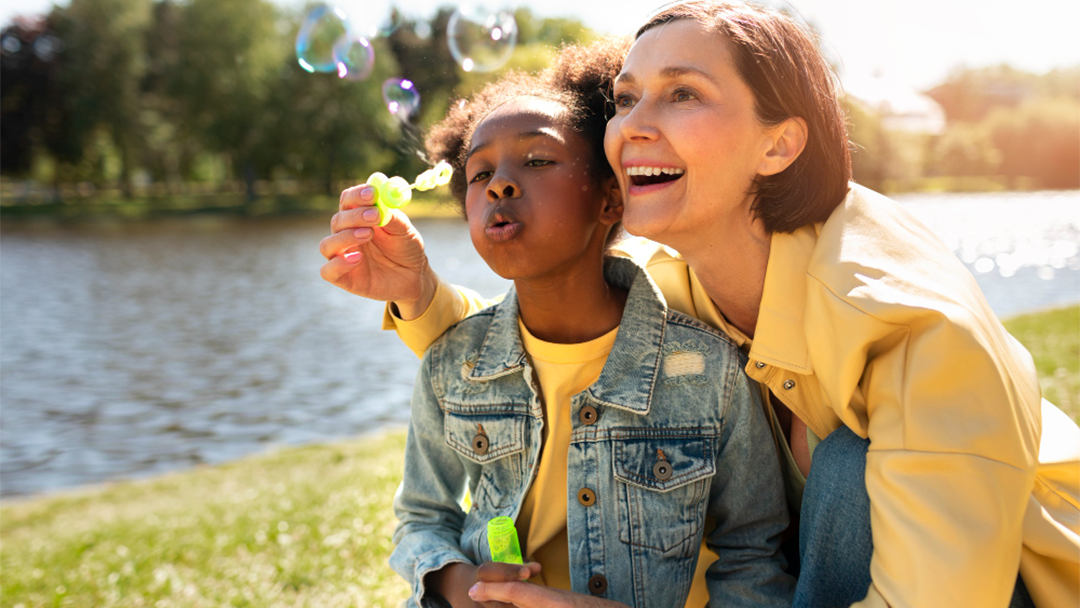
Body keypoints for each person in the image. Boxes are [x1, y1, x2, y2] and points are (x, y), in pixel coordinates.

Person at [320, 3, 1080, 608]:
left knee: (846, 468)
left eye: (684, 93)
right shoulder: (680, 273)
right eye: (624, 98)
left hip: (1010, 587)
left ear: (778, 145)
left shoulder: (914, 328)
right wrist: (418, 295)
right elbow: (544, 344)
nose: (632, 126)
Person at [373, 39, 795, 608]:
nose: (499, 184)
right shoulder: (452, 362)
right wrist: (455, 584)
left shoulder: (707, 369)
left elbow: (753, 549)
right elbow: (423, 516)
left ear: (609, 200)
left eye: (538, 160)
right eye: (478, 174)